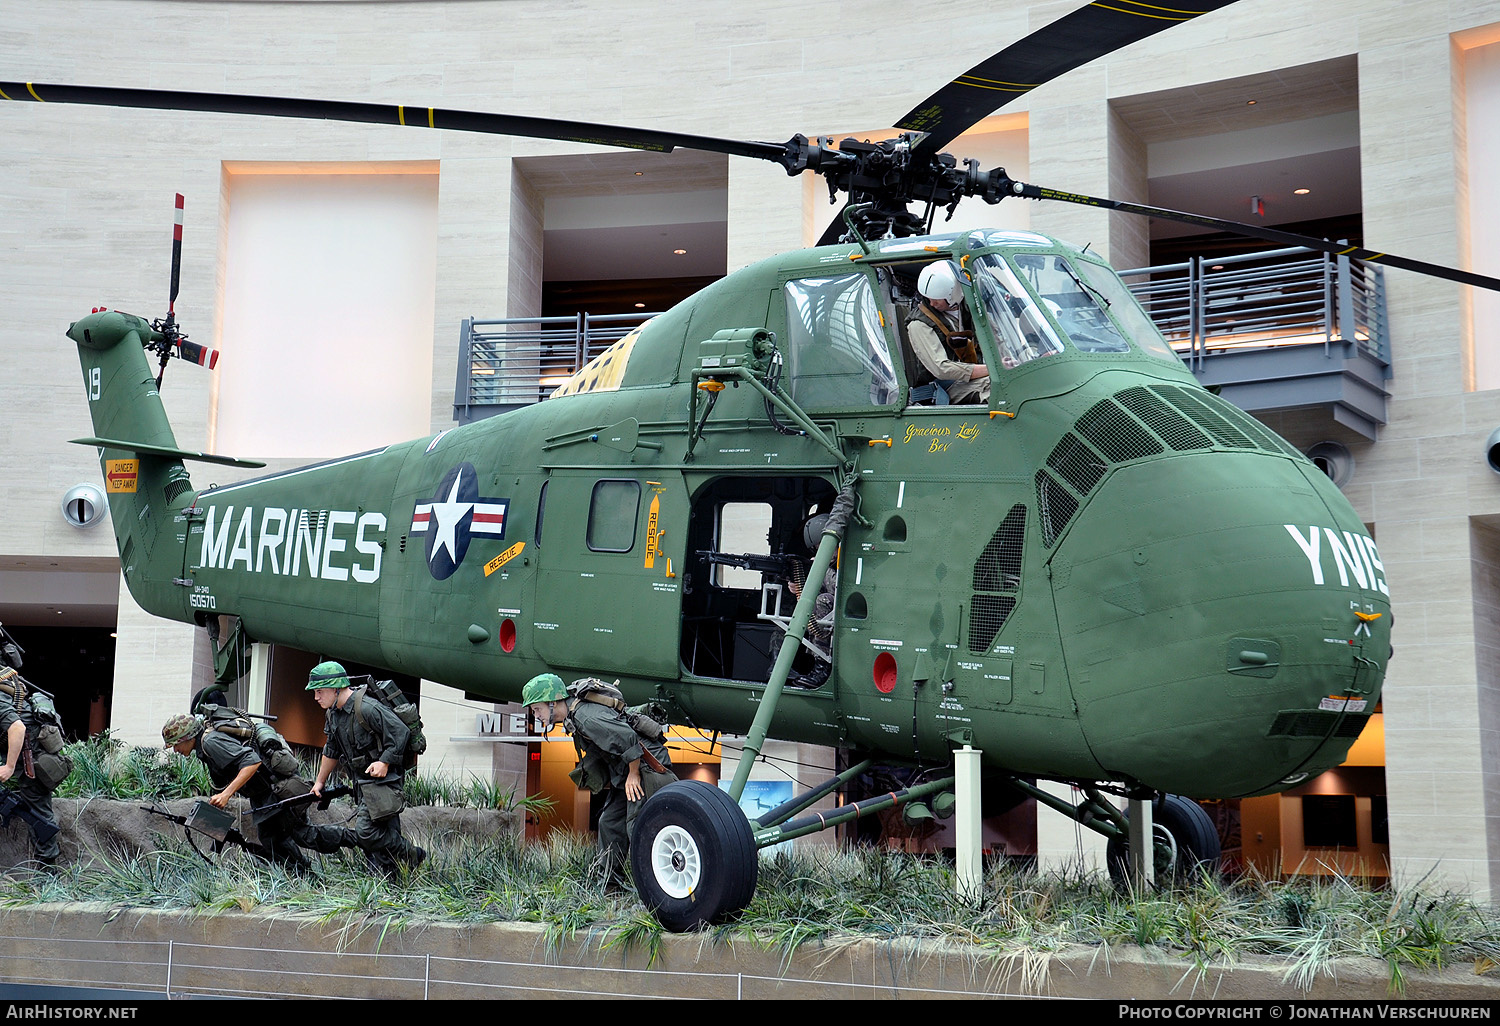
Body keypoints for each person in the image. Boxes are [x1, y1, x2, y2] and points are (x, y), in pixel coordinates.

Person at [521, 673, 676, 887]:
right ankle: (610, 886)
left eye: (536, 708)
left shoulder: (586, 717)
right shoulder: (574, 716)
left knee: (637, 826)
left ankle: (657, 889)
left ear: (552, 702)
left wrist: (634, 774)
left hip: (645, 766)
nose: (535, 714)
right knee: (609, 823)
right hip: (627, 770)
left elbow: (627, 737)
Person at [161, 711, 353, 870]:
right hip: (262, 795)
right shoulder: (205, 744)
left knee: (303, 835)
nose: (175, 750)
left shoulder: (211, 742)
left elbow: (252, 762)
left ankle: (357, 838)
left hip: (276, 789)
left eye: (175, 744)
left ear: (187, 737)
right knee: (271, 840)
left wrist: (227, 794)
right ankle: (302, 875)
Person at [306, 661, 426, 875]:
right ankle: (391, 879)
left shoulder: (367, 708)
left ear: (335, 688)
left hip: (384, 781)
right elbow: (331, 749)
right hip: (362, 783)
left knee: (366, 832)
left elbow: (400, 732)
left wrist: (385, 761)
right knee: (382, 831)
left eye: (319, 692)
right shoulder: (333, 715)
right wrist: (320, 782)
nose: (316, 698)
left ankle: (411, 854)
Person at [0, 667, 68, 869]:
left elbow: (17, 728)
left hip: (33, 756)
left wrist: (9, 767)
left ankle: (47, 873)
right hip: (22, 751)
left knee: (38, 812)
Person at [906, 260, 989, 404]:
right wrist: (990, 370)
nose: (932, 304)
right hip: (941, 388)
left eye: (937, 299)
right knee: (995, 385)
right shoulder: (919, 324)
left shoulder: (970, 309)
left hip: (968, 379)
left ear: (953, 294)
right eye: (929, 298)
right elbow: (941, 369)